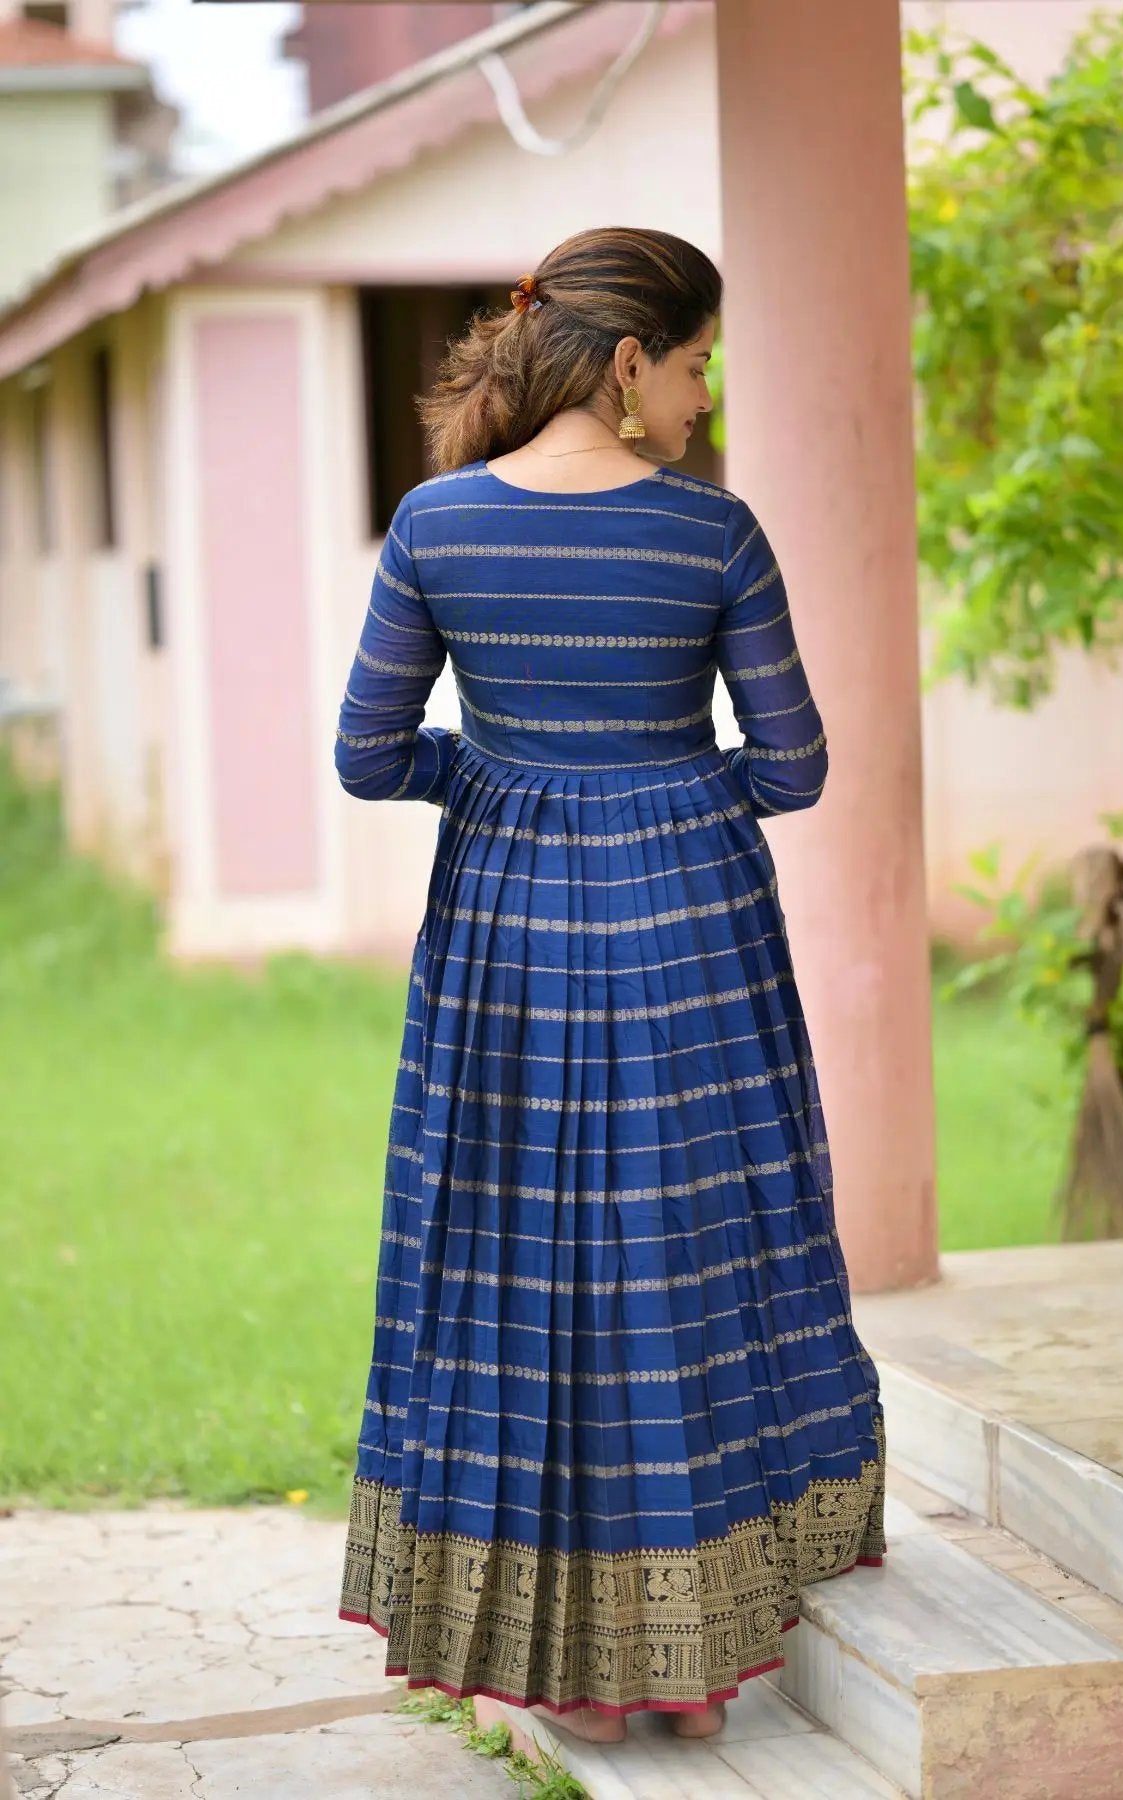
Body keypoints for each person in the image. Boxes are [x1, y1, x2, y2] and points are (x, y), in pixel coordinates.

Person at [334, 226, 886, 1746]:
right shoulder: (714, 535)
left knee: (521, 1261)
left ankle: (569, 1671)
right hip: (691, 930)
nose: (709, 395)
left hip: (511, 933)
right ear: (633, 362)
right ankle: (696, 1665)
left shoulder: (435, 526)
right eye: (701, 361)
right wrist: (651, 788)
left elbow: (369, 757)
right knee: (693, 1258)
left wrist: (508, 780)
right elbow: (793, 767)